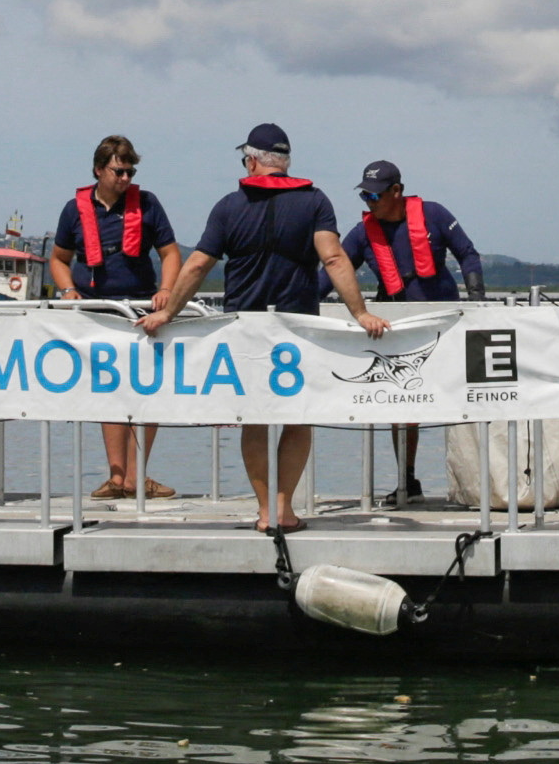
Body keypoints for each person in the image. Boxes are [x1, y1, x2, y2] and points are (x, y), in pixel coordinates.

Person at [137, 123, 387, 531]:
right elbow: (336, 260)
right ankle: (285, 508)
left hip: (246, 324)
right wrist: (360, 314)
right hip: (297, 322)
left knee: (255, 418)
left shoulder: (229, 206)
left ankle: (266, 510)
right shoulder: (315, 201)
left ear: (252, 161)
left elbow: (199, 263)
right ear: (285, 165)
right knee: (297, 417)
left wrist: (168, 313)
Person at [48, 134, 185, 501]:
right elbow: (58, 259)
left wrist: (167, 290)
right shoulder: (73, 210)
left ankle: (138, 476)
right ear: (99, 170)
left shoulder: (149, 204)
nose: (125, 178)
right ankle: (117, 476)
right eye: (119, 171)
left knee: (145, 390)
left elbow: (171, 253)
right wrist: (67, 292)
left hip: (142, 312)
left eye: (130, 171)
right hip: (96, 312)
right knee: (108, 390)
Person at [347, 160, 485, 503]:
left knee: (468, 398)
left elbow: (468, 254)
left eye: (376, 196)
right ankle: (406, 480)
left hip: (446, 324)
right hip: (400, 329)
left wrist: (478, 304)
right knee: (402, 408)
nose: (370, 202)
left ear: (397, 191)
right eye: (365, 195)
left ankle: (480, 478)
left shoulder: (434, 215)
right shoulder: (363, 232)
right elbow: (331, 272)